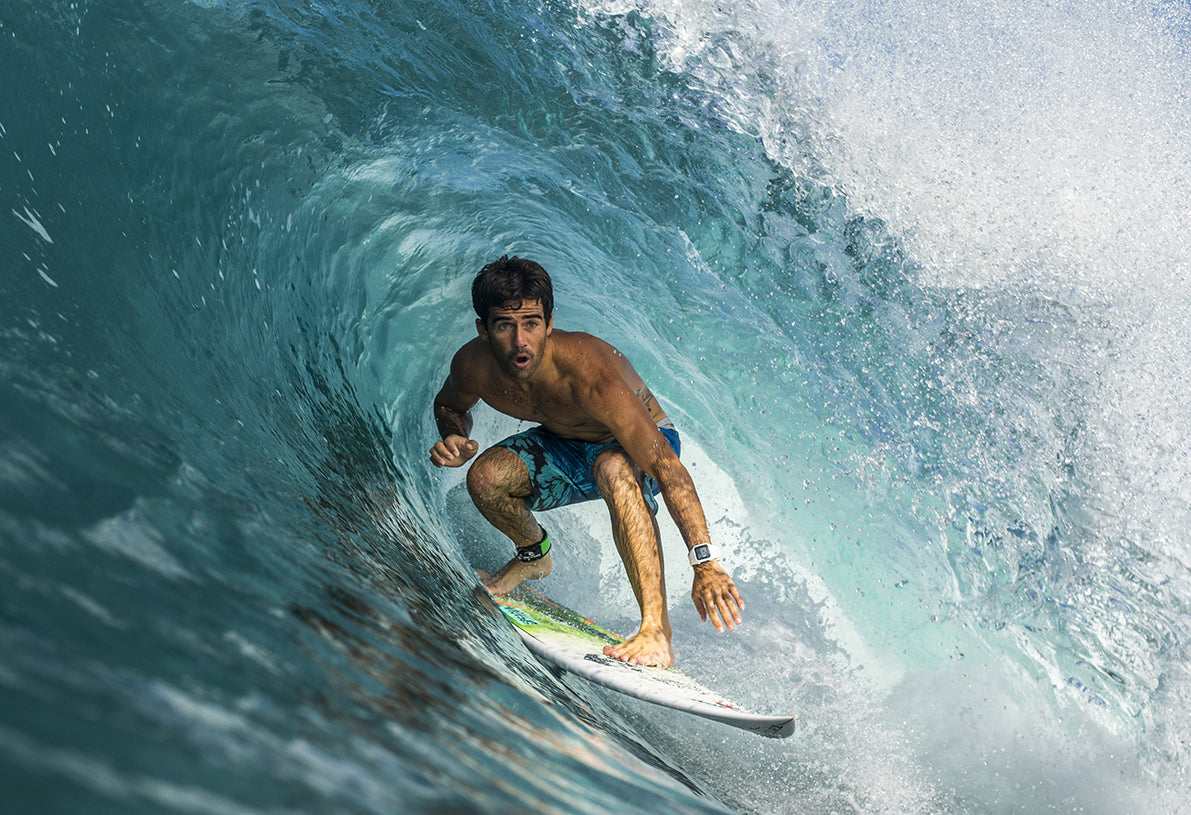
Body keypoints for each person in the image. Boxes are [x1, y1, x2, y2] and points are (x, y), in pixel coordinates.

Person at [430, 255, 743, 668]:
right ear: (483, 330)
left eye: (532, 323)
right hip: (565, 442)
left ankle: (656, 630)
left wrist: (705, 562)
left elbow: (668, 469)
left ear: (550, 323)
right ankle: (533, 556)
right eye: (505, 325)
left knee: (613, 468)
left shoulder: (590, 374)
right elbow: (449, 404)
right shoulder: (473, 365)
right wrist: (455, 436)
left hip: (633, 443)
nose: (520, 341)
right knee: (486, 477)